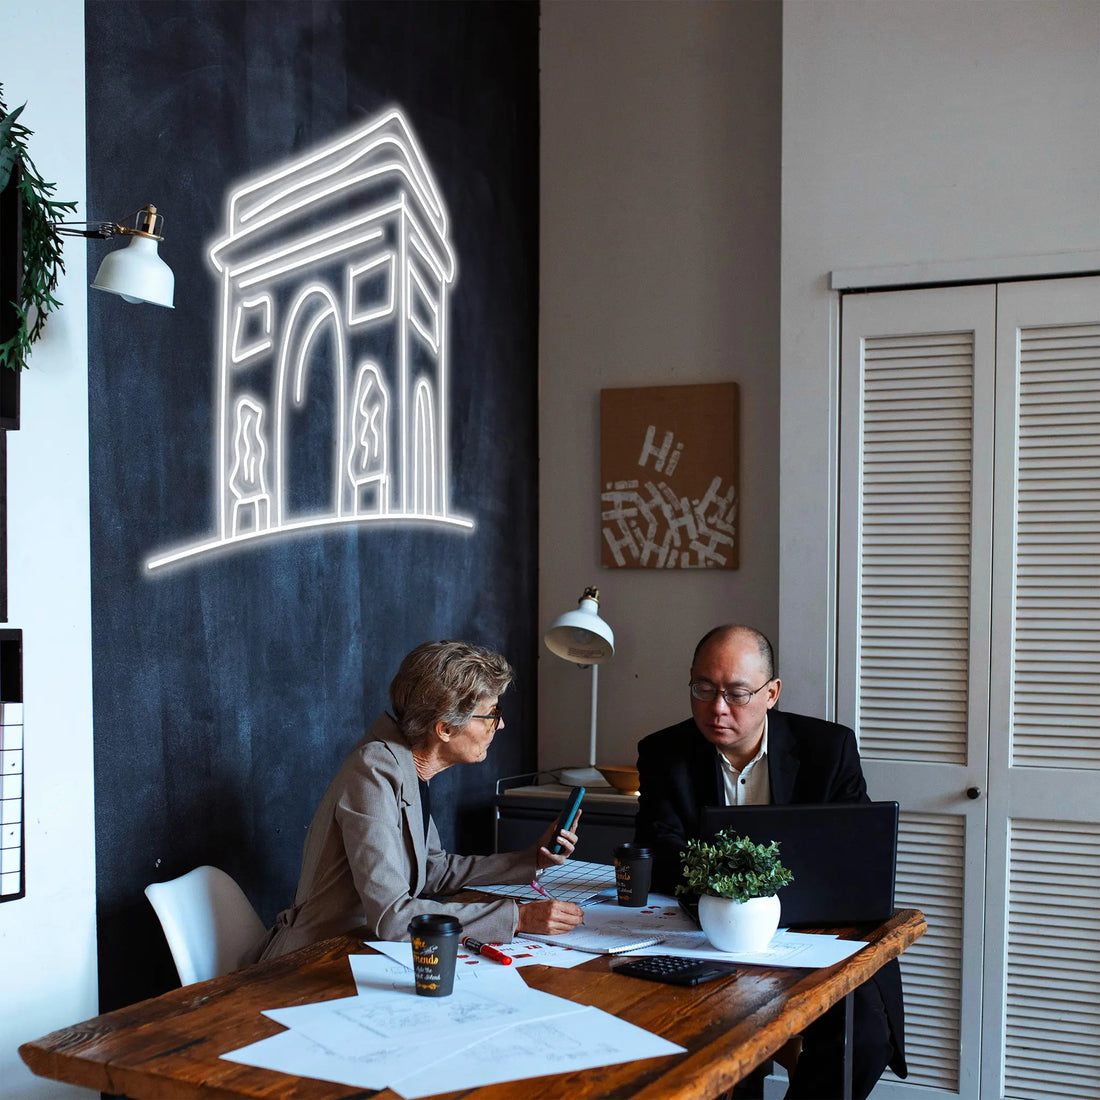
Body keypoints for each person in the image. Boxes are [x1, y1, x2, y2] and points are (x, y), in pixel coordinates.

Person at [634, 624, 906, 1100]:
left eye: (737, 693)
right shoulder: (663, 753)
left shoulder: (828, 749)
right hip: (709, 933)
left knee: (862, 1037)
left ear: (771, 693)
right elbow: (660, 852)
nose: (717, 708)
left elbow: (853, 856)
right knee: (706, 1042)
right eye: (703, 689)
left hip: (818, 931)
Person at [255, 640, 584, 960]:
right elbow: (393, 917)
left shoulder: (405, 766)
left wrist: (531, 860)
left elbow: (432, 870)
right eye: (492, 713)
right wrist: (518, 918)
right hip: (313, 961)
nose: (501, 725)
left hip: (362, 952)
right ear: (444, 729)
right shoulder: (373, 770)